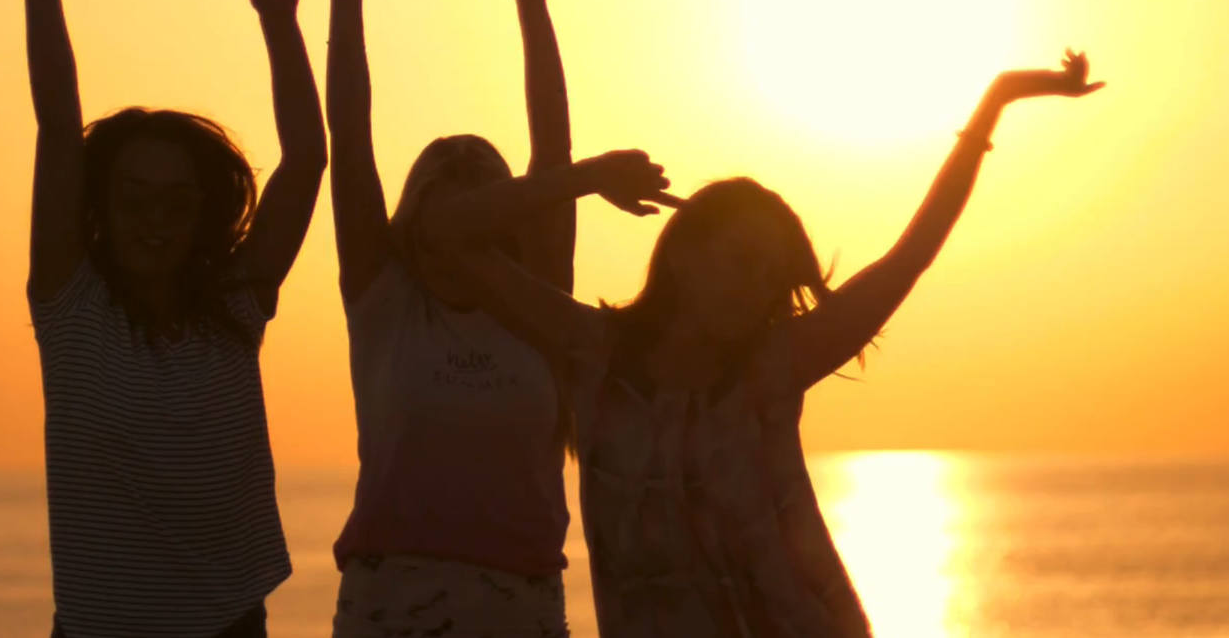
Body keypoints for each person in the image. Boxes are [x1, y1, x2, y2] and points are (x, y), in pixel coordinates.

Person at [437, 50, 1104, 636]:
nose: (758, 289)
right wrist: (589, 178)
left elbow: (913, 252)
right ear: (685, 258)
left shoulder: (774, 367)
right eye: (741, 262)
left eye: (772, 275)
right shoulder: (594, 350)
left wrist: (997, 99)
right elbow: (445, 234)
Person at [312, 0, 659, 636]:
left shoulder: (534, 299)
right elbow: (352, 138)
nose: (467, 170)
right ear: (420, 207)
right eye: (449, 171)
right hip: (390, 597)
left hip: (520, 599)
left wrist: (532, 0)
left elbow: (551, 150)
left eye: (485, 172)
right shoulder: (383, 293)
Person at [0, 0, 328, 638]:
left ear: (204, 214)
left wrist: (280, 22)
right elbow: (56, 120)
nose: (154, 219)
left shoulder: (236, 305)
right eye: (134, 198)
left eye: (177, 202)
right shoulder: (71, 308)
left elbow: (309, 159)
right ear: (101, 208)